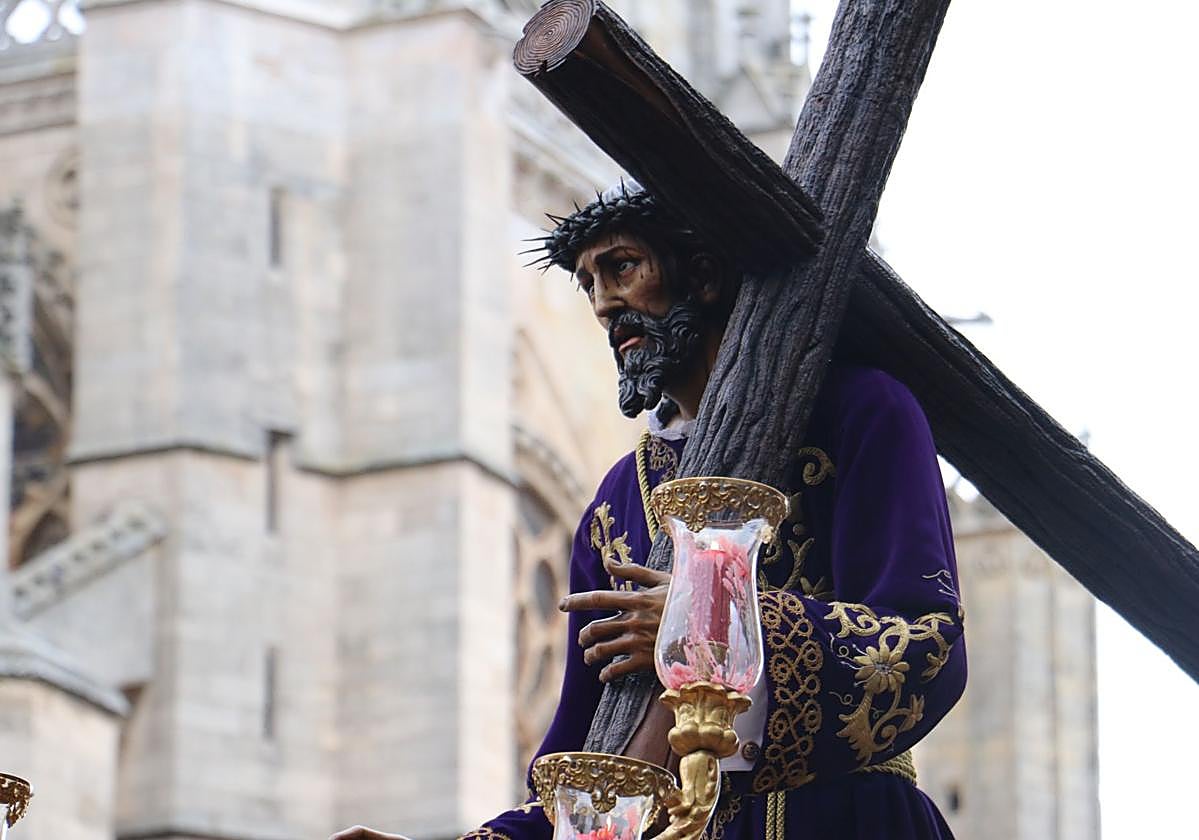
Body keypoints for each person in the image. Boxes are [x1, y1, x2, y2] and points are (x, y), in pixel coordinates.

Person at [331, 182, 966, 840]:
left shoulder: (863, 410)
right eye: (587, 283)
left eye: (622, 267)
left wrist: (708, 626)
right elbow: (587, 765)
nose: (605, 304)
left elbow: (924, 645)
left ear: (703, 274)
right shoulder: (614, 504)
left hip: (844, 819)